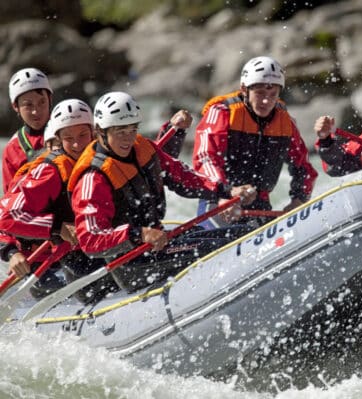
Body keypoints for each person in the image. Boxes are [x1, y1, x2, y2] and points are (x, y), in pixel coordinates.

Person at [69, 91, 256, 292]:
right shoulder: (93, 179)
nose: (128, 139)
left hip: (161, 244)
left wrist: (227, 190)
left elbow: (184, 178)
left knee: (243, 232)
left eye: (132, 130)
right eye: (120, 131)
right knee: (219, 246)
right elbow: (90, 239)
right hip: (132, 262)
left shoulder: (144, 148)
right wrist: (139, 234)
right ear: (100, 132)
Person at [192, 56, 318, 229]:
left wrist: (299, 199)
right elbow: (206, 157)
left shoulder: (285, 122)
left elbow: (303, 167)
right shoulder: (223, 112)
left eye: (273, 94)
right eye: (260, 94)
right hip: (218, 200)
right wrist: (225, 193)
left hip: (260, 204)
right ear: (245, 89)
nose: (266, 101)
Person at [0, 99, 106, 299]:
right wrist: (11, 252)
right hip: (41, 260)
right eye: (67, 138)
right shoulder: (49, 172)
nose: (77, 144)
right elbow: (5, 216)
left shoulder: (101, 159)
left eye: (83, 135)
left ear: (94, 134)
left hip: (78, 249)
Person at [2, 67, 53, 194]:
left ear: (50, 99)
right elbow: (10, 199)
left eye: (42, 102)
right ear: (15, 106)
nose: (36, 111)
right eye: (28, 105)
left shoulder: (72, 130)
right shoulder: (12, 150)